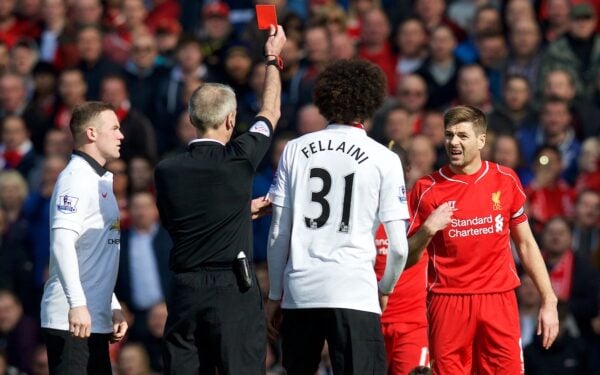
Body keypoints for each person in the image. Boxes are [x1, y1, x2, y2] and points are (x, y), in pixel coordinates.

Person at [154, 25, 286, 374]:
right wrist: (273, 58)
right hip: (232, 288)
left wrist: (238, 212)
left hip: (184, 290)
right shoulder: (240, 158)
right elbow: (270, 111)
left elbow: (180, 221)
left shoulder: (166, 170)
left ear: (193, 118)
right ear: (230, 119)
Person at [266, 59, 410, 375]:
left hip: (301, 292)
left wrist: (276, 294)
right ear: (371, 102)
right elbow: (399, 247)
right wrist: (384, 289)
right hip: (355, 290)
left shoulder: (294, 149)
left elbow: (278, 232)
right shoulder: (384, 158)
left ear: (325, 100)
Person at [407, 105, 559, 374]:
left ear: (481, 140)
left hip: (498, 299)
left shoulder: (505, 179)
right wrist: (428, 229)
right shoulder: (426, 189)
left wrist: (549, 300)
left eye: (462, 136)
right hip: (448, 301)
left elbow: (525, 244)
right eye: (449, 135)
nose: (454, 142)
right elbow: (407, 257)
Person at [40, 101, 128, 374]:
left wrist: (111, 304)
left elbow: (95, 254)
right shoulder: (75, 179)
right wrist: (77, 305)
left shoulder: (98, 180)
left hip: (93, 318)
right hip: (72, 320)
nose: (121, 135)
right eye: (114, 128)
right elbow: (62, 243)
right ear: (91, 133)